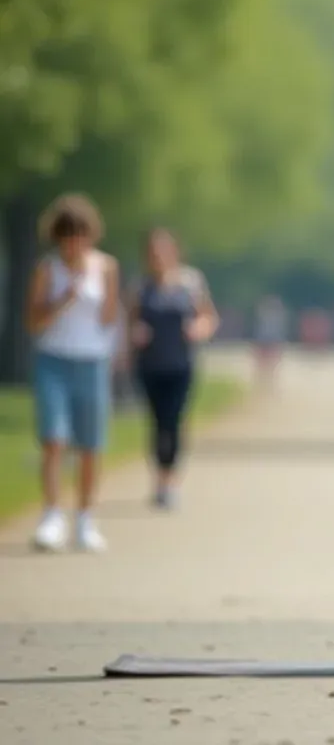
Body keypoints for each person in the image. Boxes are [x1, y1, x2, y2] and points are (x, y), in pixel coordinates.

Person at [25, 193, 120, 552]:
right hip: (54, 359)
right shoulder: (47, 270)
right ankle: (51, 515)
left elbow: (109, 318)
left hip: (92, 361)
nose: (74, 243)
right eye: (67, 235)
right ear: (58, 237)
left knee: (90, 445)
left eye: (81, 234)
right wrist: (63, 298)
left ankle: (85, 519)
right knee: (54, 439)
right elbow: (33, 322)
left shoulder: (106, 267)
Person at [127, 228, 219, 508]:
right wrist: (135, 332)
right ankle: (159, 479)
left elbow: (208, 317)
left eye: (163, 252)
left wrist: (197, 329)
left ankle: (171, 482)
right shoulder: (140, 287)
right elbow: (128, 322)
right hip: (150, 365)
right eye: (153, 253)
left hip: (181, 364)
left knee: (174, 421)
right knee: (157, 423)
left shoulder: (191, 283)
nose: (159, 258)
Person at [253, 294, 288, 395]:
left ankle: (267, 387)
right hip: (267, 340)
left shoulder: (267, 315)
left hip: (269, 340)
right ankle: (265, 386)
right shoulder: (275, 316)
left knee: (269, 366)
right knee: (267, 366)